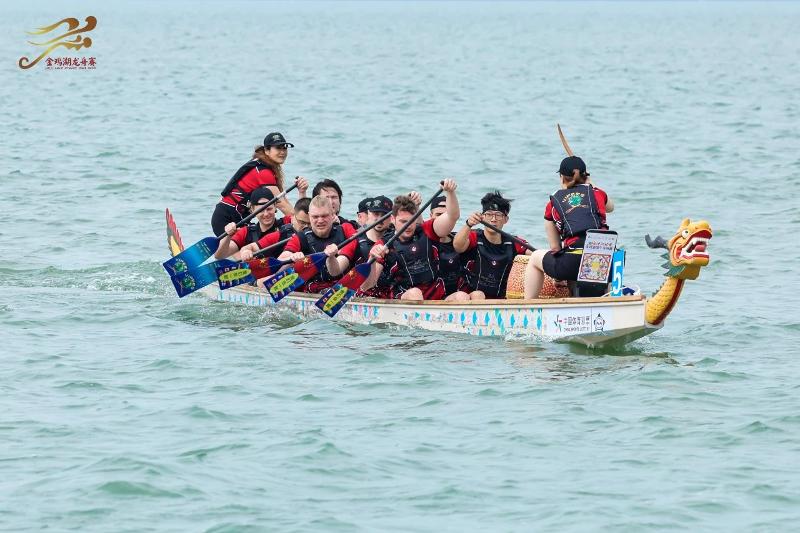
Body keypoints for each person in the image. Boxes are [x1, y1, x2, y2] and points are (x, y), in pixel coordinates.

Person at [523, 156, 614, 298]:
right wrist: (592, 185)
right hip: (603, 263)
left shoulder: (552, 204)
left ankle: (529, 306)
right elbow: (611, 207)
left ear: (561, 178)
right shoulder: (598, 194)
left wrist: (558, 277)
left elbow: (555, 248)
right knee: (598, 261)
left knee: (535, 258)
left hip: (571, 263)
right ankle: (606, 300)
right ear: (586, 176)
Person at [368, 179, 464, 301]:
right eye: (403, 221)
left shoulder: (427, 230)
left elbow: (452, 216)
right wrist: (372, 259)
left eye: (412, 221)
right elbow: (368, 285)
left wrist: (450, 192)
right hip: (404, 295)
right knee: (415, 293)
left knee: (462, 296)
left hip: (435, 295)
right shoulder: (383, 245)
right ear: (392, 219)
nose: (408, 226)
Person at [211, 132, 307, 235]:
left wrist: (302, 194)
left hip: (238, 217)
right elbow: (281, 204)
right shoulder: (263, 172)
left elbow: (283, 200)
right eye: (278, 148)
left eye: (284, 148)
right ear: (267, 151)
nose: (282, 152)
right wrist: (304, 224)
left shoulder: (264, 165)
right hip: (227, 218)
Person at [453, 191, 532, 299]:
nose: (493, 219)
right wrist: (468, 224)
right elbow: (458, 246)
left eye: (498, 215)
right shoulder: (473, 236)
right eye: (489, 214)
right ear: (483, 217)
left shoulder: (512, 242)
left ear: (506, 219)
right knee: (478, 295)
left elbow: (535, 254)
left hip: (501, 301)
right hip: (470, 297)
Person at [274, 196, 359, 293]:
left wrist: (332, 256)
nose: (320, 220)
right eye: (315, 217)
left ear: (332, 214)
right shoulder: (300, 238)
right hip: (312, 291)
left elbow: (335, 271)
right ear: (309, 216)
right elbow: (278, 266)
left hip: (342, 288)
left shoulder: (345, 230)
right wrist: (291, 259)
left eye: (324, 216)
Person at [214, 186, 294, 260]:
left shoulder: (288, 222)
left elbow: (301, 217)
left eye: (269, 209)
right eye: (261, 210)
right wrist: (227, 236)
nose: (266, 214)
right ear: (252, 210)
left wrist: (300, 192)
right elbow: (220, 256)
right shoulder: (245, 232)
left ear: (275, 206)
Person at [231, 197, 311, 261]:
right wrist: (246, 252)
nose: (306, 227)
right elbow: (249, 247)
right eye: (302, 223)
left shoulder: (318, 228)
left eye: (310, 224)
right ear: (292, 217)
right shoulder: (279, 235)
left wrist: (302, 192)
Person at [353, 196, 395, 298]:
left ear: (391, 218)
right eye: (376, 214)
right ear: (369, 214)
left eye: (384, 215)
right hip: (363, 293)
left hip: (388, 295)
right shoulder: (356, 239)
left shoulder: (396, 238)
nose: (379, 219)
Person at [429, 196, 468, 298]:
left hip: (456, 296)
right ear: (430, 216)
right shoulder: (422, 239)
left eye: (446, 215)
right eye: (438, 215)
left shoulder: (459, 241)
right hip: (430, 298)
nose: (442, 219)